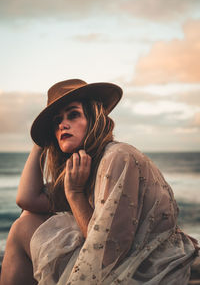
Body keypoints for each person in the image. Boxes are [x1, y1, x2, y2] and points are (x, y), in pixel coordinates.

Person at [0, 79, 199, 285]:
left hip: (140, 269)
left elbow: (106, 255)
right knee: (27, 218)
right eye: (56, 121)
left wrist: (75, 194)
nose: (62, 125)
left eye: (73, 114)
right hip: (119, 260)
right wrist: (41, 140)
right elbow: (27, 199)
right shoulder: (85, 165)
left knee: (22, 227)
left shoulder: (117, 155)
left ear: (94, 118)